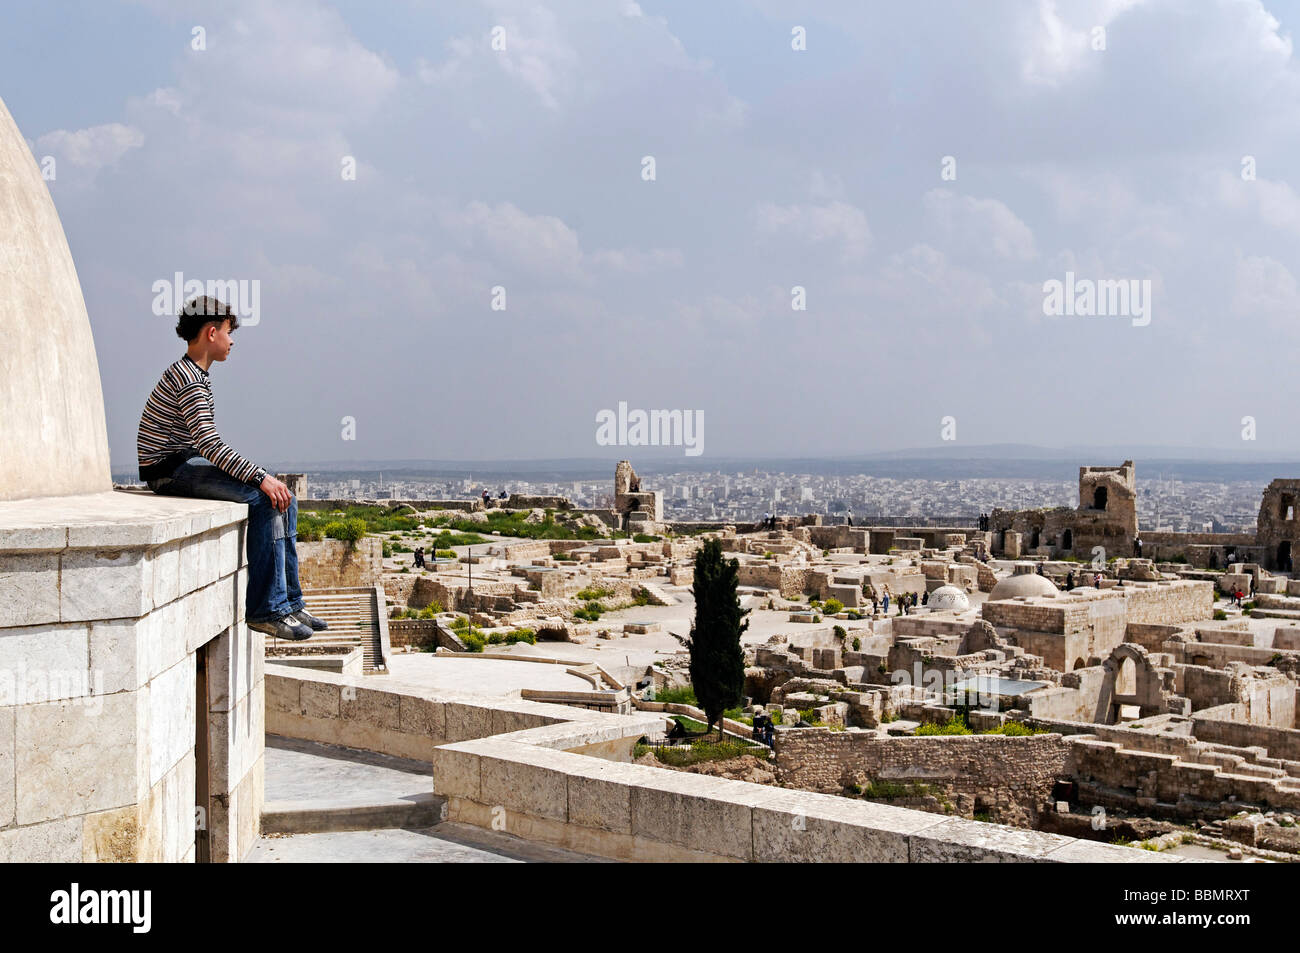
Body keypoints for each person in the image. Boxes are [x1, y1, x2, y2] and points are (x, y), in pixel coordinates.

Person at [138, 296, 324, 641]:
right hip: (170, 470)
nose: (232, 340)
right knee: (265, 498)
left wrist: (265, 479)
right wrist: (260, 477)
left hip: (182, 462)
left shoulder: (193, 374)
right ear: (211, 333)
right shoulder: (190, 380)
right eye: (228, 331)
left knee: (285, 498)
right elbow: (209, 444)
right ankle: (266, 610)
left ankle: (290, 601)